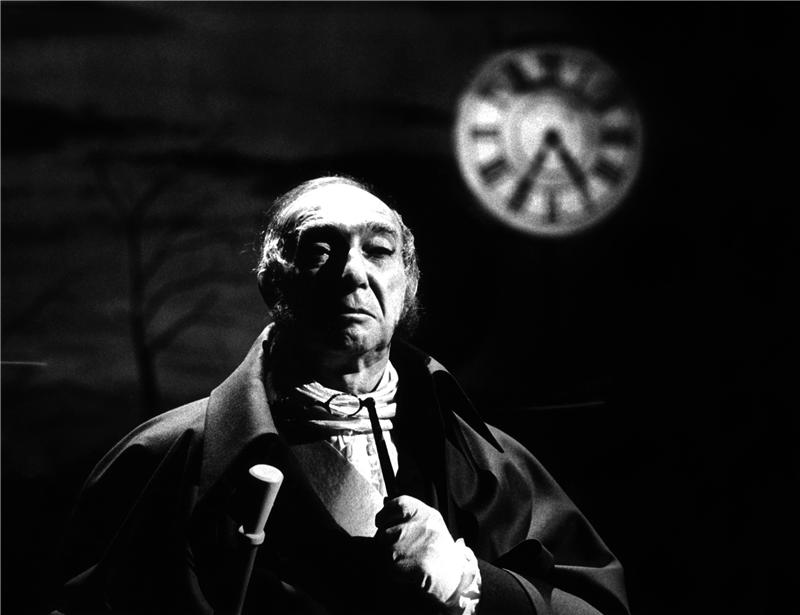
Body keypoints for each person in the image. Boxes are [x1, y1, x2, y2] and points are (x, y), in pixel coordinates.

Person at [54, 177, 629, 615]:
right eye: (319, 250)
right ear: (273, 282)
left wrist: (468, 580)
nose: (352, 272)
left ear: (408, 286)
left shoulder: (487, 462)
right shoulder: (169, 459)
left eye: (378, 250)